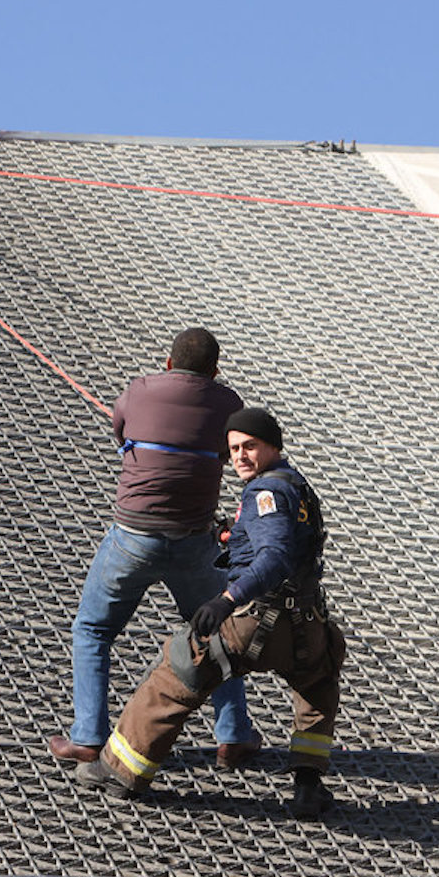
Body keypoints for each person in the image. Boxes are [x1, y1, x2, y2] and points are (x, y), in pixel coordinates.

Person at [75, 407, 347, 819]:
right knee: (318, 686)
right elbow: (285, 540)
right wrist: (233, 534)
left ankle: (120, 771)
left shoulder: (264, 494)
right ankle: (308, 785)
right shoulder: (296, 485)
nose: (239, 456)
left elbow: (274, 556)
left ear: (274, 445)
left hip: (256, 621)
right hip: (307, 626)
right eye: (234, 448)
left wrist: (227, 599)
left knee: (175, 674)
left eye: (250, 447)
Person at [49, 329, 260, 769]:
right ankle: (234, 737)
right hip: (195, 541)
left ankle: (87, 737)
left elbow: (120, 431)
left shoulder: (140, 389)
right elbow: (232, 452)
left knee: (92, 630)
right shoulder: (227, 403)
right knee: (217, 633)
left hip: (133, 538)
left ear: (168, 363)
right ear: (215, 371)